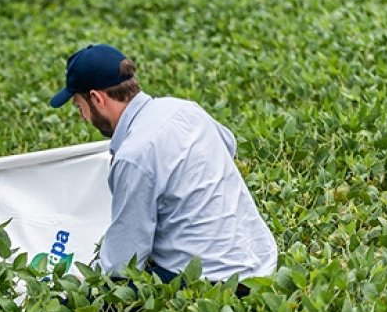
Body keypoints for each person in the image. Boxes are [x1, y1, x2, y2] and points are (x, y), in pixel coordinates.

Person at [49, 44, 277, 292]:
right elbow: (229, 145)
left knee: (79, 303)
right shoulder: (185, 109)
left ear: (96, 98)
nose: (82, 116)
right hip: (262, 265)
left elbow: (124, 262)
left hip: (214, 282)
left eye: (78, 105)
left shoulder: (134, 155)